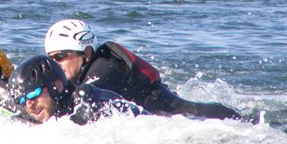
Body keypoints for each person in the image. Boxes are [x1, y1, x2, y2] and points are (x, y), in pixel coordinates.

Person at [44, 19, 241, 121]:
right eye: (50, 58)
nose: (55, 64)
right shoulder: (85, 72)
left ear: (86, 53)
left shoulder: (106, 68)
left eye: (60, 56)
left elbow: (84, 102)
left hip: (204, 119)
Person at [6, 55, 146, 125]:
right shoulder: (44, 111)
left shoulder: (84, 100)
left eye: (33, 93)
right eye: (23, 100)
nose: (29, 104)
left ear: (57, 86)